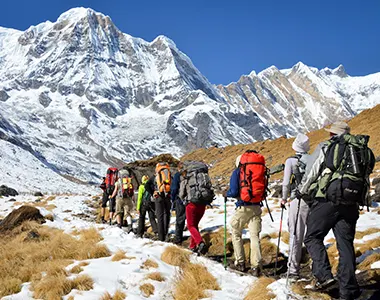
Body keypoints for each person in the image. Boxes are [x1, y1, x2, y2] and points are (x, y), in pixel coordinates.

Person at [298, 121, 374, 299]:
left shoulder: (327, 146)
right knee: (345, 244)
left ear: (332, 134)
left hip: (327, 200)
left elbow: (312, 171)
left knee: (313, 237)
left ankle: (324, 277)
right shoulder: (360, 149)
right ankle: (348, 289)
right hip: (351, 203)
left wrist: (301, 191)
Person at [224, 155, 262, 276]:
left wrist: (226, 193)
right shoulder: (257, 170)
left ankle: (240, 262)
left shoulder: (237, 172)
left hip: (243, 207)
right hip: (256, 207)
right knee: (254, 236)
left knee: (235, 231)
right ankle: (256, 266)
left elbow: (234, 191)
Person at [280, 133, 311, 280]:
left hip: (298, 201)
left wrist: (284, 199)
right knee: (313, 236)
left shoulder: (291, 161)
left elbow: (286, 183)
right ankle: (316, 267)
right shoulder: (313, 159)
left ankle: (293, 270)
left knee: (296, 235)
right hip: (314, 201)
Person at [179, 161, 214, 255]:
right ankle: (192, 246)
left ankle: (200, 243)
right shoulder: (203, 175)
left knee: (190, 226)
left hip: (191, 204)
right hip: (202, 204)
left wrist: (182, 199)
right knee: (195, 225)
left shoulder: (187, 177)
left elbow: (182, 192)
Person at [145, 163, 172, 242]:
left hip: (158, 196)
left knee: (159, 216)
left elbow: (147, 186)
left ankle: (161, 237)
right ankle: (166, 233)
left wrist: (152, 192)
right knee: (166, 214)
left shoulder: (155, 176)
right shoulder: (169, 175)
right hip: (167, 196)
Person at [171, 162, 186, 244]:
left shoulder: (177, 175)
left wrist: (172, 199)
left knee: (179, 219)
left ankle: (178, 238)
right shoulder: (189, 175)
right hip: (190, 200)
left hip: (180, 199)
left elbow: (174, 188)